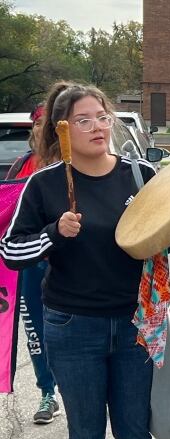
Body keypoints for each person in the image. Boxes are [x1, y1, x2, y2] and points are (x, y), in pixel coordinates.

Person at [0, 81, 170, 438]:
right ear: (62, 130)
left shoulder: (139, 174)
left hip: (135, 324)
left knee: (134, 429)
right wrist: (53, 233)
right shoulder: (44, 184)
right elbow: (10, 251)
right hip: (73, 326)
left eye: (102, 117)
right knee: (86, 431)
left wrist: (167, 232)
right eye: (83, 121)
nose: (97, 127)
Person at [5, 105, 61, 424]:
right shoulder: (21, 165)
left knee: (71, 329)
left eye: (48, 124)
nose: (42, 129)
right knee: (35, 330)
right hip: (29, 262)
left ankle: (84, 389)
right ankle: (47, 393)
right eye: (38, 123)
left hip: (64, 259)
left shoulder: (69, 165)